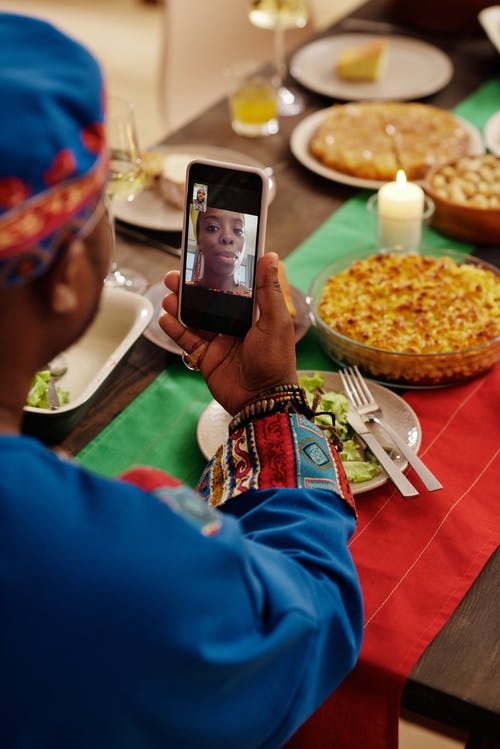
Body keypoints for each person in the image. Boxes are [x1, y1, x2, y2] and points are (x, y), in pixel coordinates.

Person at [0, 11, 363, 749]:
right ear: (67, 277)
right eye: (100, 205)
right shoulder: (100, 557)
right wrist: (270, 409)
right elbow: (304, 625)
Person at [188, 206, 253, 295]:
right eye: (213, 228)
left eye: (238, 230)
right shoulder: (186, 291)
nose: (227, 237)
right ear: (198, 241)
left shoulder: (257, 302)